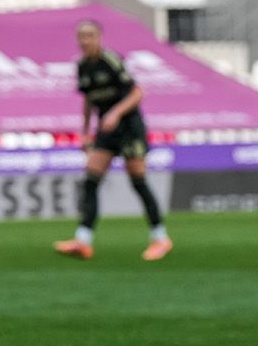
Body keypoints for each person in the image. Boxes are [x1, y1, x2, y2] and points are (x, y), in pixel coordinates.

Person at [53, 19, 172, 262]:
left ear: (99, 38)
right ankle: (83, 241)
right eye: (81, 36)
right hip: (106, 130)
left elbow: (138, 92)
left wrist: (115, 113)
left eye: (90, 36)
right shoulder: (82, 66)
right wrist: (86, 133)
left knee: (138, 181)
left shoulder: (110, 61)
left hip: (129, 127)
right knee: (90, 180)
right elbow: (88, 101)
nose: (85, 41)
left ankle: (160, 238)